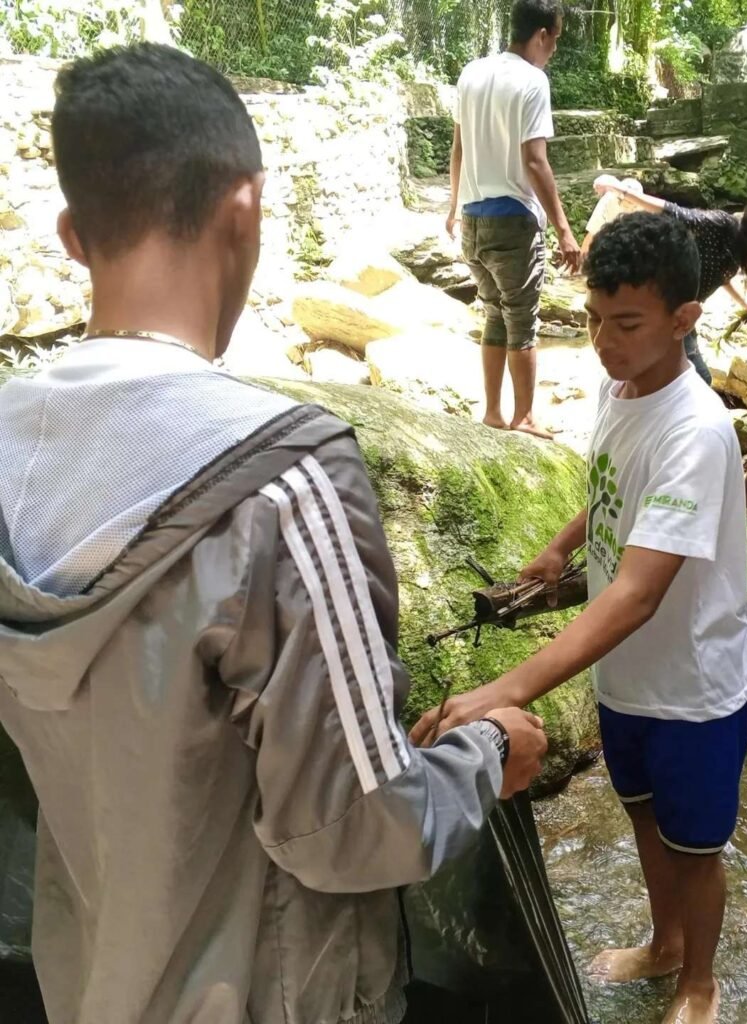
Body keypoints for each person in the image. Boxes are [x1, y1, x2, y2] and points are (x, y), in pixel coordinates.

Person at [0, 44, 549, 1024]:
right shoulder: (287, 481)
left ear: (74, 235)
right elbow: (353, 829)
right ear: (245, 211)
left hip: (87, 985)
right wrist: (483, 754)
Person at [412, 213, 747, 1024]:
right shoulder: (617, 387)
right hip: (625, 679)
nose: (603, 342)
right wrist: (563, 545)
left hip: (692, 690)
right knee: (643, 815)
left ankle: (699, 982)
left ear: (684, 318)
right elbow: (612, 485)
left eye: (627, 324)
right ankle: (664, 942)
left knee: (695, 846)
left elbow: (637, 595)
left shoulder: (696, 431)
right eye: (595, 319)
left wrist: (504, 689)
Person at [447, 0, 581, 440]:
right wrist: (564, 230)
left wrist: (453, 207)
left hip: (473, 219)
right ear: (541, 35)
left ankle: (492, 412)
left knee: (494, 315)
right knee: (522, 321)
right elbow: (535, 161)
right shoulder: (532, 81)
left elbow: (458, 148)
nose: (554, 50)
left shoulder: (472, 73)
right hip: (514, 220)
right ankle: (523, 416)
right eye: (555, 39)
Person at [601, 183, 747, 385]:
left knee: (683, 376)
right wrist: (621, 190)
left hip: (682, 315)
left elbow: (722, 276)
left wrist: (746, 305)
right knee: (698, 378)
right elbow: (673, 211)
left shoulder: (744, 251)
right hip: (663, 308)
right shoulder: (721, 225)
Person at [580, 174, 645, 258]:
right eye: (626, 200)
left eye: (632, 202)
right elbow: (592, 233)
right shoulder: (608, 201)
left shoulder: (643, 210)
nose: (629, 203)